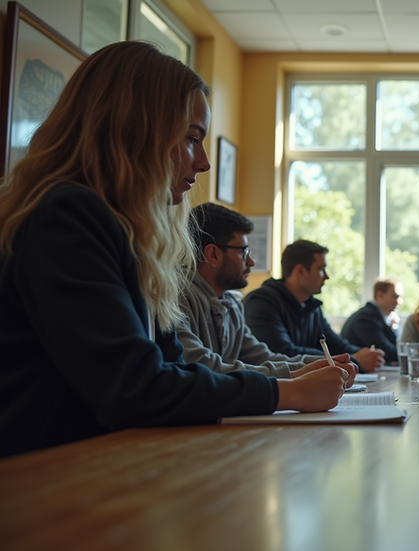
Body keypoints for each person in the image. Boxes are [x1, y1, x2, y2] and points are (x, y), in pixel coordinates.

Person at [0, 42, 353, 458]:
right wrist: (286, 392)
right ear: (134, 132)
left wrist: (290, 380)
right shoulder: (68, 216)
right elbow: (136, 387)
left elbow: (176, 367)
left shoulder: (129, 237)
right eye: (190, 139)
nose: (203, 163)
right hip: (42, 479)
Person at [177, 203, 332, 377]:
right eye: (243, 252)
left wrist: (324, 363)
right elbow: (202, 367)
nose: (251, 262)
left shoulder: (232, 304)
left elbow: (262, 357)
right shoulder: (175, 298)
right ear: (213, 254)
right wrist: (297, 373)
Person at [242, 239, 385, 372]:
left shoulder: (312, 306)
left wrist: (365, 354)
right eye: (321, 268)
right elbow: (283, 353)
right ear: (300, 271)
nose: (326, 276)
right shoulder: (261, 302)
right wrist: (354, 360)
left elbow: (335, 344)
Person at [341, 277, 402, 362]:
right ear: (380, 295)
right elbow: (387, 352)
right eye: (395, 296)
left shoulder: (383, 318)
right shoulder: (366, 318)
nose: (399, 301)